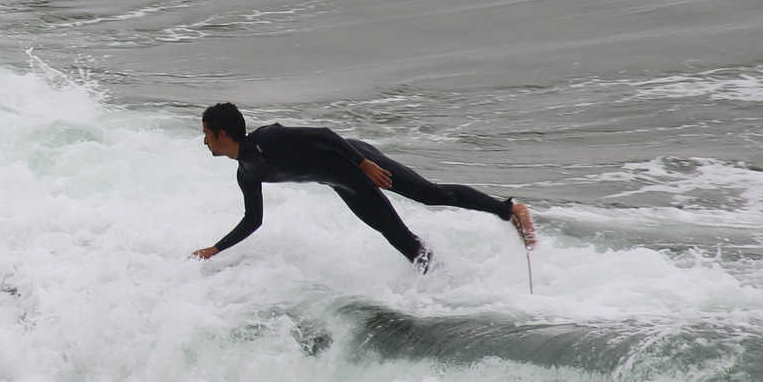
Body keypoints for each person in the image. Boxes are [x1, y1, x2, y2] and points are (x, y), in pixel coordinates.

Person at [190, 101, 535, 271]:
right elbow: (254, 219)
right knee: (402, 241)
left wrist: (363, 163)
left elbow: (322, 135)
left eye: (206, 134)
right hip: (346, 185)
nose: (204, 142)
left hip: (358, 162)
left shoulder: (267, 140)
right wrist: (216, 249)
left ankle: (509, 209)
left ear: (222, 133)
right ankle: (448, 286)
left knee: (430, 195)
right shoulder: (247, 172)